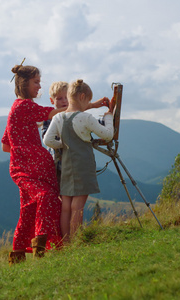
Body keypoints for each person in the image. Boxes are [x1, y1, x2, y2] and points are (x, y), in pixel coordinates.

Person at [1, 64, 67, 265]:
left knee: (28, 209)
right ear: (24, 84)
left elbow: (5, 145)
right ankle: (41, 248)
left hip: (28, 168)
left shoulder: (17, 108)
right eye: (36, 82)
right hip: (28, 170)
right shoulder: (24, 106)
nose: (39, 87)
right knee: (46, 197)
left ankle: (18, 255)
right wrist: (88, 105)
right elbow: (53, 113)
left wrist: (25, 150)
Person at [43, 79, 114, 242]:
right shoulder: (86, 118)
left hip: (66, 166)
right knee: (78, 206)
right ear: (82, 97)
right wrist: (108, 117)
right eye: (88, 101)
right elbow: (107, 135)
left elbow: (47, 140)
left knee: (66, 206)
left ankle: (66, 242)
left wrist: (62, 145)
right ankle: (76, 241)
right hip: (83, 166)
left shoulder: (58, 118)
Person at [41, 81, 69, 183]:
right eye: (59, 98)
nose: (64, 101)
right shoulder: (49, 118)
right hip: (56, 163)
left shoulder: (75, 116)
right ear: (52, 101)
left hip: (73, 163)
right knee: (59, 191)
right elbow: (46, 137)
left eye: (67, 97)